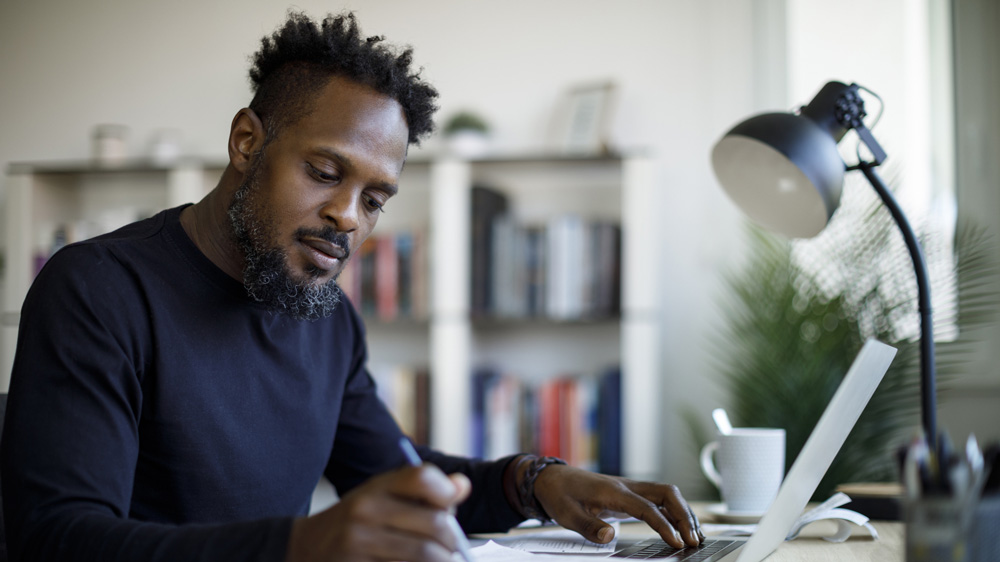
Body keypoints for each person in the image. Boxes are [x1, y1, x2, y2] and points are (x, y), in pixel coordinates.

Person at [1, 11, 703, 562]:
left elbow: (393, 477)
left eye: (375, 199)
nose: (347, 216)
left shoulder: (327, 318)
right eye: (326, 172)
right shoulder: (98, 290)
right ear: (247, 141)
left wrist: (534, 482)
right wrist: (300, 547)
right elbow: (58, 539)